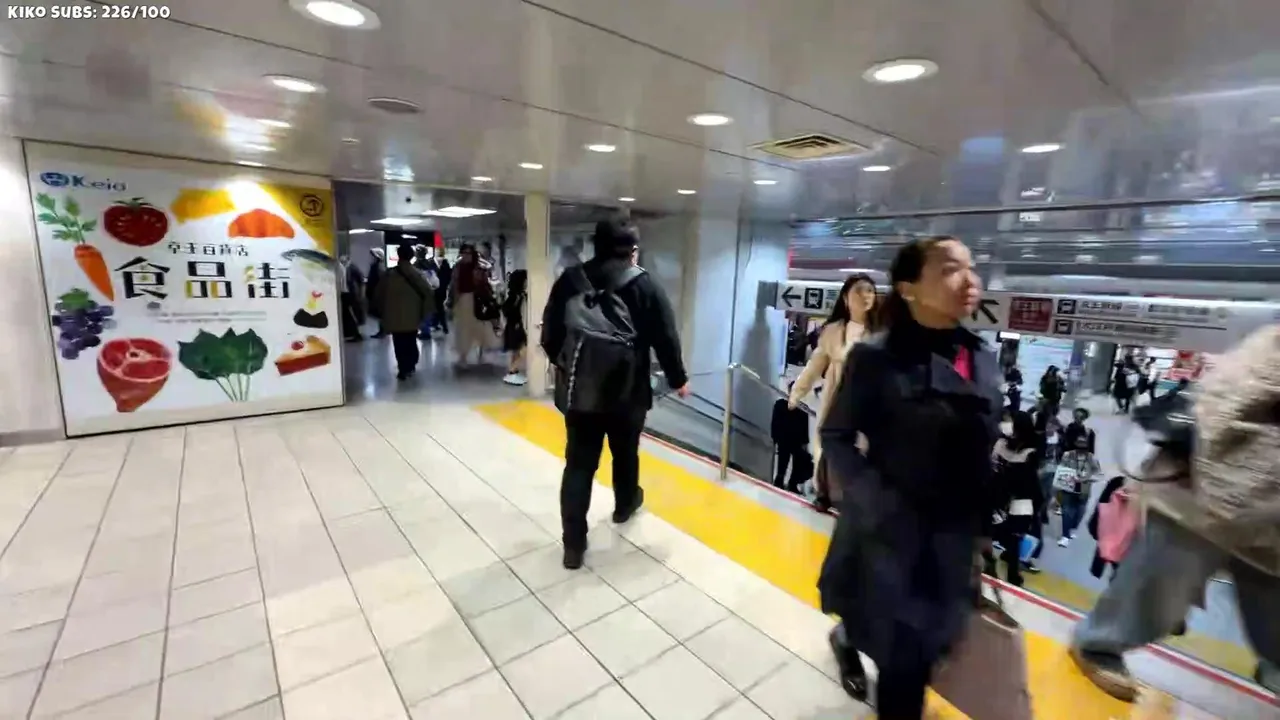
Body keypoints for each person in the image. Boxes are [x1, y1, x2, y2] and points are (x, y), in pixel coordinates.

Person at [817, 236, 1002, 717]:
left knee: (930, 643)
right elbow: (836, 435)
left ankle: (850, 636)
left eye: (971, 267)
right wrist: (875, 501)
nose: (969, 280)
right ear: (908, 288)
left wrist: (982, 527)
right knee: (905, 663)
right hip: (892, 536)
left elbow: (979, 450)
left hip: (953, 539)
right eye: (949, 269)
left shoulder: (982, 356)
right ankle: (858, 646)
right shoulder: (877, 358)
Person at [1072, 325, 1280, 701]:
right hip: (1207, 489)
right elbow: (1227, 398)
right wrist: (1228, 486)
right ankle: (1097, 644)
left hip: (1270, 518)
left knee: (1273, 611)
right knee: (1162, 583)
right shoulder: (1270, 350)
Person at [541, 218, 688, 570]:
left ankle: (573, 545)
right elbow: (665, 336)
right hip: (628, 391)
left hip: (581, 393)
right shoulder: (644, 284)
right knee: (625, 453)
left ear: (596, 245)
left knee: (579, 466)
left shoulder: (570, 280)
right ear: (632, 251)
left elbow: (550, 335)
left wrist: (568, 366)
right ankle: (625, 505)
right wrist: (678, 378)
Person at [787, 273, 878, 512]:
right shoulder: (833, 331)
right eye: (859, 291)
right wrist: (798, 391)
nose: (866, 296)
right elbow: (815, 364)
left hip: (866, 400)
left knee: (862, 448)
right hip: (835, 396)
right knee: (827, 444)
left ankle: (855, 500)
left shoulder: (880, 334)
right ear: (846, 298)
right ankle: (823, 493)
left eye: (870, 291)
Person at [985, 409, 1042, 587]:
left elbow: (992, 466)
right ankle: (1010, 573)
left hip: (1003, 497)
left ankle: (996, 565)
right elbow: (1031, 481)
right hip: (1013, 499)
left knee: (996, 533)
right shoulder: (1026, 451)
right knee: (1011, 537)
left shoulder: (1004, 445)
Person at [373, 244, 435, 381]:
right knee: (410, 340)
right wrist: (425, 312)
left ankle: (403, 368)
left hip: (393, 316)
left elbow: (378, 295)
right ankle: (410, 365)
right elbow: (427, 293)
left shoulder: (388, 275)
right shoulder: (417, 274)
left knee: (398, 342)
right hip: (412, 316)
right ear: (412, 256)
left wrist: (382, 312)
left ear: (398, 255)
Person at [448, 243, 497, 368]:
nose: (466, 256)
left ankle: (480, 353)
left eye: (468, 253)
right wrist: (451, 301)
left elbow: (485, 285)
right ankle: (463, 356)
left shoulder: (479, 267)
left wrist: (489, 299)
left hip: (476, 300)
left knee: (480, 327)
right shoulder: (458, 267)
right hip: (462, 300)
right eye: (464, 253)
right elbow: (453, 285)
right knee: (463, 330)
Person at [1053, 434, 1101, 547]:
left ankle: (1072, 528)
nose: (1081, 448)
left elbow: (1099, 475)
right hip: (1068, 488)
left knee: (1079, 513)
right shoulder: (1067, 455)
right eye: (1079, 444)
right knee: (1066, 512)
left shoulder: (1091, 459)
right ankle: (1065, 536)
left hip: (1083, 491)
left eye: (1083, 445)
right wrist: (1068, 476)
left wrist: (1086, 478)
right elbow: (1061, 469)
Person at [1086, 476, 1129, 581]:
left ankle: (1097, 574)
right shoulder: (1119, 482)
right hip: (1125, 539)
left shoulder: (1119, 482)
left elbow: (1102, 503)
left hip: (1112, 533)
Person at [771, 383, 812, 493]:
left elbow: (805, 430)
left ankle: (792, 483)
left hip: (796, 441)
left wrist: (805, 444)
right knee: (783, 458)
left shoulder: (803, 409)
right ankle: (780, 480)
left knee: (799, 460)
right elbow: (775, 423)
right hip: (784, 439)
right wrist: (774, 438)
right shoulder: (781, 404)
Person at [501, 269, 528, 386]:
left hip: (513, 326)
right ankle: (512, 371)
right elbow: (509, 310)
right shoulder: (517, 297)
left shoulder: (516, 295)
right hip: (515, 326)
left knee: (516, 351)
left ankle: (513, 372)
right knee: (523, 350)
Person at [337, 255, 363, 342]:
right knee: (348, 313)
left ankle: (355, 333)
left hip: (349, 293)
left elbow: (360, 280)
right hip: (347, 292)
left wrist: (360, 294)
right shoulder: (343, 267)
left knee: (351, 313)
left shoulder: (350, 267)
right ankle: (351, 333)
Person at [366, 247, 387, 338]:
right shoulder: (377, 266)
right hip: (376, 293)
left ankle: (383, 331)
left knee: (381, 313)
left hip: (378, 294)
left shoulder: (378, 267)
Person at [433, 256, 452, 335]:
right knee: (439, 309)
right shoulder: (449, 271)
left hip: (437, 292)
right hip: (443, 292)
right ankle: (437, 324)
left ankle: (442, 326)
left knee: (439, 309)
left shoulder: (440, 271)